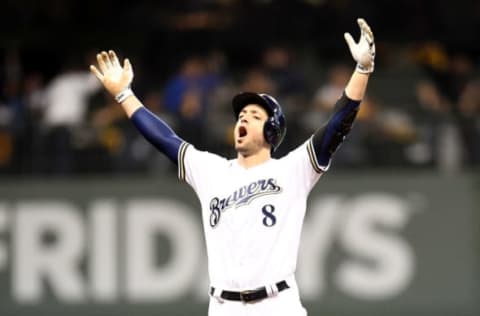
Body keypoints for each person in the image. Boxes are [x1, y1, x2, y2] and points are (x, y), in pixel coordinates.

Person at [90, 18, 375, 316]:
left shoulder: (293, 170)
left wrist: (362, 70)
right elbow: (165, 139)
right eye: (241, 115)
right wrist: (124, 94)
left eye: (254, 115)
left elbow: (336, 126)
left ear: (271, 130)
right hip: (224, 307)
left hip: (277, 305)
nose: (243, 118)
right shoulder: (211, 171)